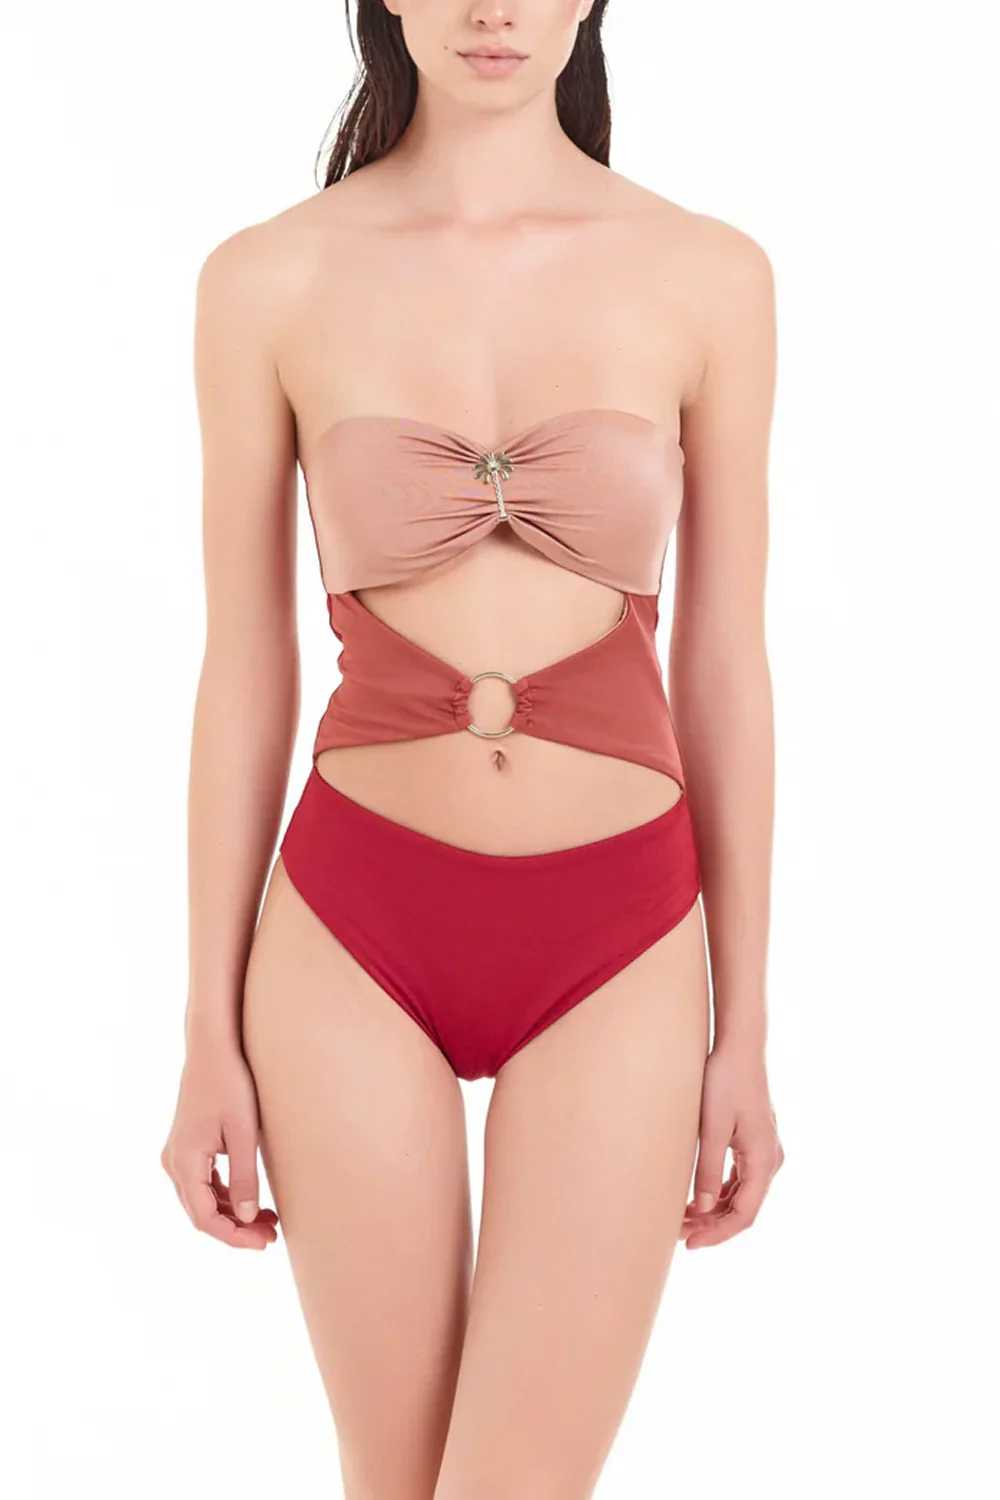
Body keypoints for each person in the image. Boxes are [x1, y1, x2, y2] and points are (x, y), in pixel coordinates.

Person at [161, 2, 784, 1494]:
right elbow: (243, 667)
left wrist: (746, 1029)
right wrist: (204, 1033)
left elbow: (724, 664)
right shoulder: (268, 278)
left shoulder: (707, 274)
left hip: (619, 933)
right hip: (349, 930)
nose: (492, 7)